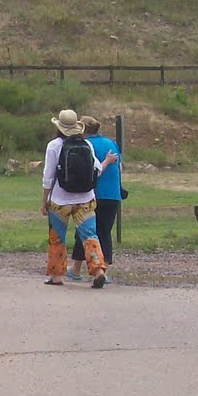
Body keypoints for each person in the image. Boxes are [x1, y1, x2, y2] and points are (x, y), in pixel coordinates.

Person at [41, 108, 108, 287]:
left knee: (57, 237)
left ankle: (56, 276)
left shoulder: (54, 145)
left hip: (60, 200)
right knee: (90, 235)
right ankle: (98, 269)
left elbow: (48, 177)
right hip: (86, 198)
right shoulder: (87, 144)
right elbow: (98, 169)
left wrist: (44, 201)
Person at [69, 117, 122, 284]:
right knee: (105, 232)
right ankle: (104, 269)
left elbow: (93, 168)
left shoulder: (86, 145)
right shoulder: (111, 143)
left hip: (93, 194)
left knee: (84, 231)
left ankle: (76, 268)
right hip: (112, 194)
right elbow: (120, 167)